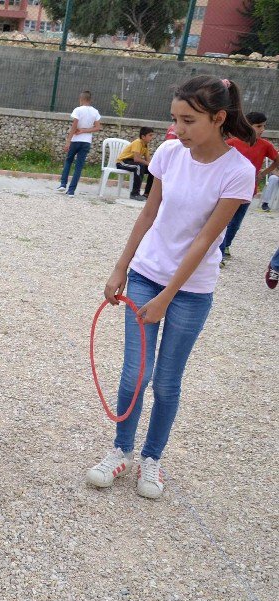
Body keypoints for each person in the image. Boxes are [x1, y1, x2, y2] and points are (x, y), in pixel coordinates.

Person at [86, 76, 256, 500]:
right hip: (146, 275)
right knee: (134, 375)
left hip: (192, 290)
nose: (177, 129)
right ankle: (121, 450)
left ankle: (153, 458)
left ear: (219, 119)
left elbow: (205, 240)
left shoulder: (239, 172)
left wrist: (167, 296)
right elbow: (148, 214)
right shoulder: (167, 153)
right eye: (174, 118)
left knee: (166, 381)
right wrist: (120, 268)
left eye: (188, 120)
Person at [219, 111, 277, 261]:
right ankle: (218, 251)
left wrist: (264, 173)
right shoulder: (232, 142)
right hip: (228, 189)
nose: (262, 129)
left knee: (236, 223)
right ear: (247, 125)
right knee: (222, 220)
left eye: (264, 126)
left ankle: (225, 246)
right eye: (258, 126)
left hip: (248, 190)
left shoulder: (266, 145)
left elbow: (277, 160)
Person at [56, 90, 103, 197]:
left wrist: (68, 140)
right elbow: (98, 127)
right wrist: (84, 131)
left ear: (81, 99)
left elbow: (74, 125)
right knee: (79, 166)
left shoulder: (78, 110)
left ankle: (63, 184)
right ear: (90, 100)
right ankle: (71, 191)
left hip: (75, 140)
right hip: (86, 142)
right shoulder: (95, 111)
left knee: (68, 161)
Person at [116, 127, 156, 201]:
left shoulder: (145, 145)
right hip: (122, 162)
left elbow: (148, 160)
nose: (152, 137)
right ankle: (134, 194)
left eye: (152, 135)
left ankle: (147, 194)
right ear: (143, 137)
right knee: (139, 166)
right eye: (150, 135)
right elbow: (136, 159)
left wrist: (152, 166)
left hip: (133, 162)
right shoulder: (138, 142)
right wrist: (148, 163)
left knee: (153, 170)